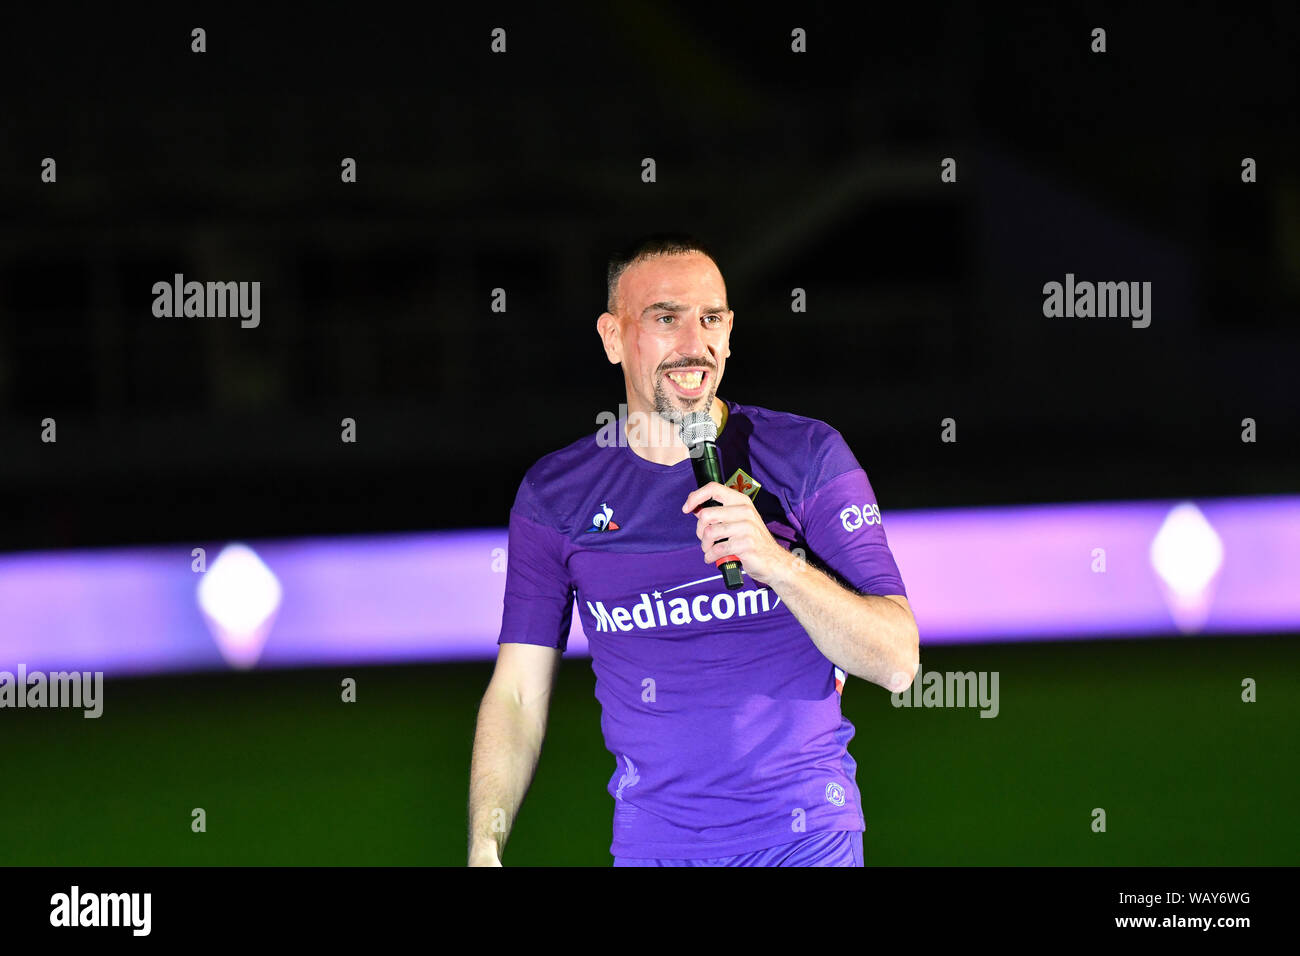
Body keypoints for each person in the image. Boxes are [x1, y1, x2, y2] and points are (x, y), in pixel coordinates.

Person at [468, 234, 918, 866]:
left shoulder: (807, 456)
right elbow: (517, 691)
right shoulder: (556, 494)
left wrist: (777, 564)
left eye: (710, 319)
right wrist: (484, 846)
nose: (693, 344)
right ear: (612, 337)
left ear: (730, 334)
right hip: (654, 846)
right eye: (665, 318)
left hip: (805, 837)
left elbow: (897, 661)